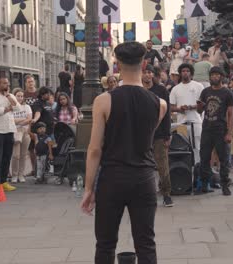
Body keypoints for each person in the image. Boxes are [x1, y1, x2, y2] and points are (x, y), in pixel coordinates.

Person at [80, 41, 167, 264]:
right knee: (146, 244)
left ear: (116, 65)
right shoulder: (160, 103)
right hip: (144, 178)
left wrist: (89, 188)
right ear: (145, 63)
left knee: (105, 244)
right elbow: (145, 136)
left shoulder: (103, 100)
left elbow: (94, 149)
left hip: (112, 178)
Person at [197, 66, 233, 195]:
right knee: (204, 158)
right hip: (207, 129)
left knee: (224, 159)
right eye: (212, 75)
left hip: (221, 130)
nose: (214, 77)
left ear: (221, 77)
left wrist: (229, 132)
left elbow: (231, 113)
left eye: (217, 75)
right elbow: (199, 111)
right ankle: (204, 184)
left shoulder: (227, 92)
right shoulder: (205, 91)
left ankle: (225, 184)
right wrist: (199, 107)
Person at [143, 64, 173, 207]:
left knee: (162, 165)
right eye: (145, 72)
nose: (147, 75)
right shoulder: (137, 89)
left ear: (153, 75)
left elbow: (167, 113)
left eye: (149, 72)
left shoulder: (161, 90)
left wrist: (167, 134)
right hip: (141, 134)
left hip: (159, 134)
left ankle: (166, 193)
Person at [0, 77, 21, 194]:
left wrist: (8, 98)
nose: (6, 85)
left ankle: (4, 181)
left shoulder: (10, 96)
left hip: (10, 129)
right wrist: (8, 109)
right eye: (4, 83)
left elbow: (18, 108)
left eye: (7, 83)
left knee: (7, 156)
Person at [170, 63, 204, 164]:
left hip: (196, 121)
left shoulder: (198, 86)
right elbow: (171, 107)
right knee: (183, 147)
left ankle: (198, 170)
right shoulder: (175, 88)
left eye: (187, 71)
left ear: (191, 73)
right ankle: (186, 171)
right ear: (180, 73)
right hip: (181, 123)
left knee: (197, 147)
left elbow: (203, 104)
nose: (185, 73)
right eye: (183, 71)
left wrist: (190, 107)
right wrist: (180, 109)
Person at [11, 88, 32, 183]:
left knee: (24, 155)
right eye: (18, 96)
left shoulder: (27, 107)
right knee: (16, 155)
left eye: (21, 96)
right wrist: (22, 120)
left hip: (25, 131)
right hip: (15, 132)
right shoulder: (11, 106)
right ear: (14, 96)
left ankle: (21, 174)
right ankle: (14, 174)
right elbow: (11, 121)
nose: (20, 98)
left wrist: (18, 121)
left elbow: (29, 119)